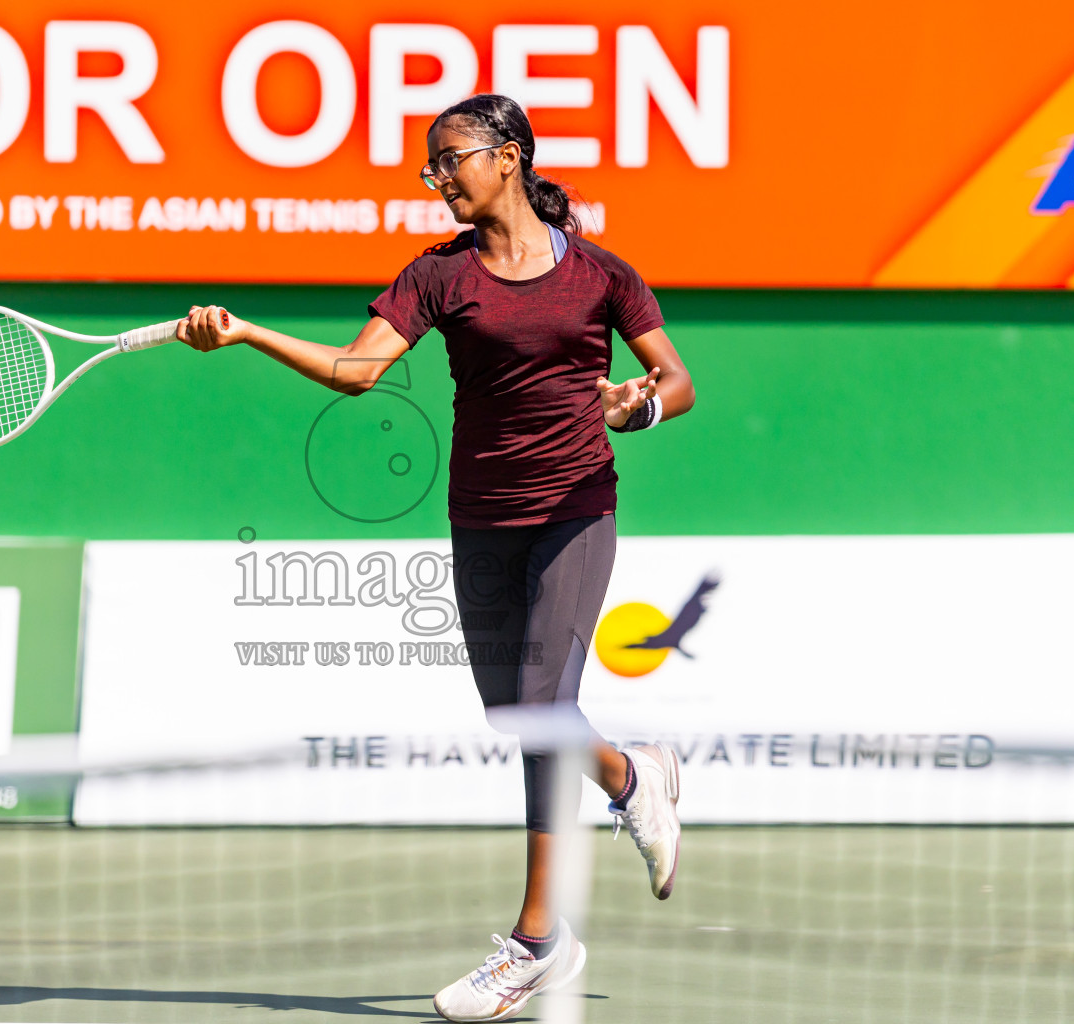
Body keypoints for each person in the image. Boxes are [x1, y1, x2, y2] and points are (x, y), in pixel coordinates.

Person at [177, 93, 694, 1023]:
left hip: (576, 507)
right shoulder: (437, 276)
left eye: (450, 159)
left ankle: (539, 941)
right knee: (512, 713)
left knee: (540, 709)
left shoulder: (603, 276)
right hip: (480, 517)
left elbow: (677, 380)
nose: (436, 178)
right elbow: (355, 368)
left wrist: (639, 406)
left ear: (509, 158)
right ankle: (629, 774)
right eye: (431, 163)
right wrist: (249, 333)